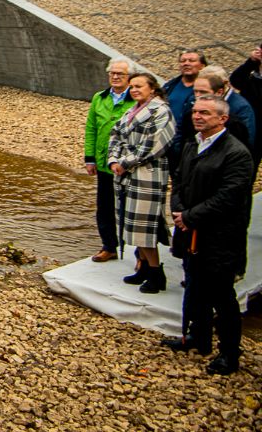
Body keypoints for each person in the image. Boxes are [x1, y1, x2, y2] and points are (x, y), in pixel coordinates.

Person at [163, 96, 253, 375]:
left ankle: (229, 353)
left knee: (221, 295)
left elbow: (229, 196)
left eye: (205, 113)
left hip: (219, 236)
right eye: (195, 112)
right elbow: (179, 180)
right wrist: (178, 211)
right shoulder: (193, 144)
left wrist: (190, 217)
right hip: (190, 231)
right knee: (195, 286)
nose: (197, 116)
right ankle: (197, 336)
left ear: (222, 119)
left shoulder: (236, 153)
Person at [108, 72, 176, 294]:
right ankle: (144, 268)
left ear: (153, 89)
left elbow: (155, 145)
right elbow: (115, 134)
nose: (134, 90)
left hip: (147, 174)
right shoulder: (131, 110)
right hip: (126, 174)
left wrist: (125, 162)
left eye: (139, 86)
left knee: (144, 225)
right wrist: (113, 160)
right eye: (132, 86)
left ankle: (157, 273)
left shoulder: (161, 112)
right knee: (132, 221)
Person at [84, 58, 135, 262]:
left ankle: (140, 251)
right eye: (112, 73)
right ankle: (109, 246)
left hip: (128, 165)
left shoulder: (136, 98)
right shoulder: (100, 97)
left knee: (131, 207)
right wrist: (90, 158)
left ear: (129, 77)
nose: (115, 77)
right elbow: (91, 128)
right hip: (104, 163)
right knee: (104, 206)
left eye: (120, 74)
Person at [163, 49, 206, 158]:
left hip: (187, 145)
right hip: (164, 141)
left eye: (191, 60)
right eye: (183, 61)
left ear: (202, 65)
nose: (186, 63)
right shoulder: (169, 86)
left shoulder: (205, 90)